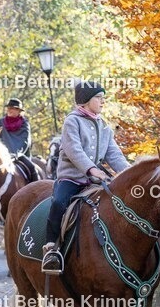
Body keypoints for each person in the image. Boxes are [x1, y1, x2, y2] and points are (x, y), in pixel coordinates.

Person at [41, 81, 131, 275]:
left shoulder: (104, 125)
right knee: (58, 202)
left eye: (103, 97)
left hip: (96, 181)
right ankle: (51, 249)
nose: (102, 102)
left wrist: (128, 174)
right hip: (71, 179)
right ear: (84, 101)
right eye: (98, 97)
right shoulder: (71, 121)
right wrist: (91, 169)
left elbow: (113, 154)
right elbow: (74, 150)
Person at [0, 98, 40, 183]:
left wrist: (16, 154)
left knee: (32, 168)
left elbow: (25, 142)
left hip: (19, 155)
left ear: (18, 110)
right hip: (3, 155)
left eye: (12, 108)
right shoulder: (0, 122)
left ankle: (35, 189)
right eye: (8, 108)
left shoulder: (25, 124)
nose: (9, 110)